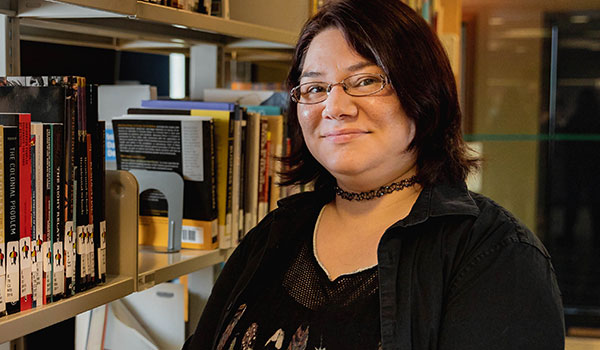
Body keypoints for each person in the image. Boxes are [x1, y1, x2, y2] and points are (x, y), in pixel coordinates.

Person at [184, 0, 564, 349]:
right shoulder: (274, 234)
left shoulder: (497, 255)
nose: (335, 107)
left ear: (423, 90)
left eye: (365, 81)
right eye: (315, 87)